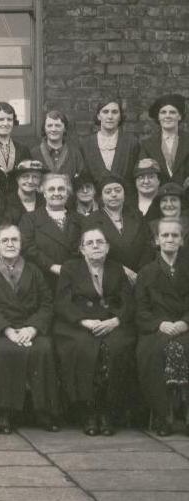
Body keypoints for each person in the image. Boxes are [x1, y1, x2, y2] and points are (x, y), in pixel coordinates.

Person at [0, 224, 60, 433]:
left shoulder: (34, 270)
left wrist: (33, 328)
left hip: (29, 327)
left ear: (21, 244)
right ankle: (3, 413)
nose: (10, 244)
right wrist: (8, 330)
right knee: (3, 352)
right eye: (5, 240)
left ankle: (43, 412)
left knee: (43, 349)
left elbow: (47, 303)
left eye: (15, 240)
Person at [55, 227, 137, 436]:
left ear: (108, 247)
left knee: (117, 347)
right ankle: (88, 412)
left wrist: (115, 321)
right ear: (82, 249)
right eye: (89, 243)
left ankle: (109, 412)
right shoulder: (70, 268)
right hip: (79, 325)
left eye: (100, 242)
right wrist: (84, 321)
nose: (95, 246)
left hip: (112, 323)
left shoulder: (117, 268)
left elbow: (128, 301)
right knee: (82, 348)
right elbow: (62, 303)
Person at [135, 218, 189, 436]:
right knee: (153, 353)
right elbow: (140, 309)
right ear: (157, 240)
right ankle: (162, 415)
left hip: (185, 327)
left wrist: (185, 321)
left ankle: (186, 415)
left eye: (174, 235)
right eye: (165, 235)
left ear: (182, 241)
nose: (169, 239)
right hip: (156, 330)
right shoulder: (146, 272)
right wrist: (161, 323)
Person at [84, 175, 154, 284]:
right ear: (101, 197)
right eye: (108, 191)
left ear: (124, 193)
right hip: (109, 279)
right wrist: (122, 270)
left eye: (118, 190)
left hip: (141, 277)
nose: (113, 194)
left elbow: (148, 244)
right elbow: (91, 252)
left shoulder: (136, 215)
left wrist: (141, 273)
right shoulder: (92, 221)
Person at [20, 173, 82, 289]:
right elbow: (27, 248)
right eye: (51, 189)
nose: (57, 193)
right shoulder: (30, 219)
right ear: (44, 193)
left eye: (61, 189)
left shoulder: (80, 219)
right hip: (42, 280)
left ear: (68, 193)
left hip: (74, 279)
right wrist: (51, 266)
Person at [79, 100, 140, 189]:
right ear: (98, 116)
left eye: (114, 112)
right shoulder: (85, 144)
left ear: (120, 117)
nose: (110, 116)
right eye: (105, 112)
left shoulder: (131, 142)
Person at [140, 94, 189, 186]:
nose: (167, 116)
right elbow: (142, 172)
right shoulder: (147, 144)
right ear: (158, 117)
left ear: (180, 116)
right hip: (159, 196)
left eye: (172, 112)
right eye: (163, 112)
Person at [30, 109, 85, 177]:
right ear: (44, 128)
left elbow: (82, 179)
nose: (53, 129)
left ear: (64, 128)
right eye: (49, 126)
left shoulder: (74, 153)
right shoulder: (34, 153)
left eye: (58, 125)